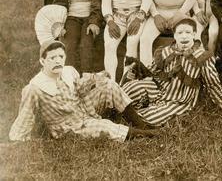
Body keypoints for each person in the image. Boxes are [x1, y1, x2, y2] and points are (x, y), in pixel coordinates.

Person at [9, 40, 158, 142]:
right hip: (69, 126)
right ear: (42, 61)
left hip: (83, 109)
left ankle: (139, 123)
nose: (57, 61)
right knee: (105, 126)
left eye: (60, 56)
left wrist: (96, 77)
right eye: (52, 58)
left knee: (109, 85)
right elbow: (26, 115)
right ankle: (147, 134)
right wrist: (18, 138)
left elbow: (80, 88)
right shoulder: (35, 87)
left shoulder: (68, 71)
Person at [121, 17, 222, 126]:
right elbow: (152, 71)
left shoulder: (201, 56)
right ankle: (121, 107)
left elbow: (211, 82)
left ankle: (133, 116)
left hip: (179, 98)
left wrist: (220, 102)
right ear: (174, 35)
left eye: (188, 32)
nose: (184, 36)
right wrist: (138, 73)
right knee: (130, 89)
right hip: (159, 88)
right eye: (180, 33)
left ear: (194, 34)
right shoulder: (166, 51)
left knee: (152, 117)